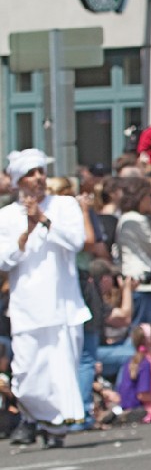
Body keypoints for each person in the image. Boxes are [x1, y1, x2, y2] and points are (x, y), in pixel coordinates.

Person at [0, 149, 90, 447]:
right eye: (31, 173)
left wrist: (44, 220)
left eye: (41, 171)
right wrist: (26, 231)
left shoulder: (63, 205)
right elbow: (4, 260)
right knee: (25, 378)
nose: (38, 178)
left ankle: (55, 429)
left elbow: (77, 241)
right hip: (26, 307)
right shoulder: (6, 216)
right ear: (18, 181)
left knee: (60, 375)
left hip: (63, 305)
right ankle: (43, 419)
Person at [114, 177, 151, 331]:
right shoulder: (134, 220)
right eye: (148, 196)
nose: (150, 200)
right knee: (146, 332)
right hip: (143, 284)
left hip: (137, 283)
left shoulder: (126, 218)